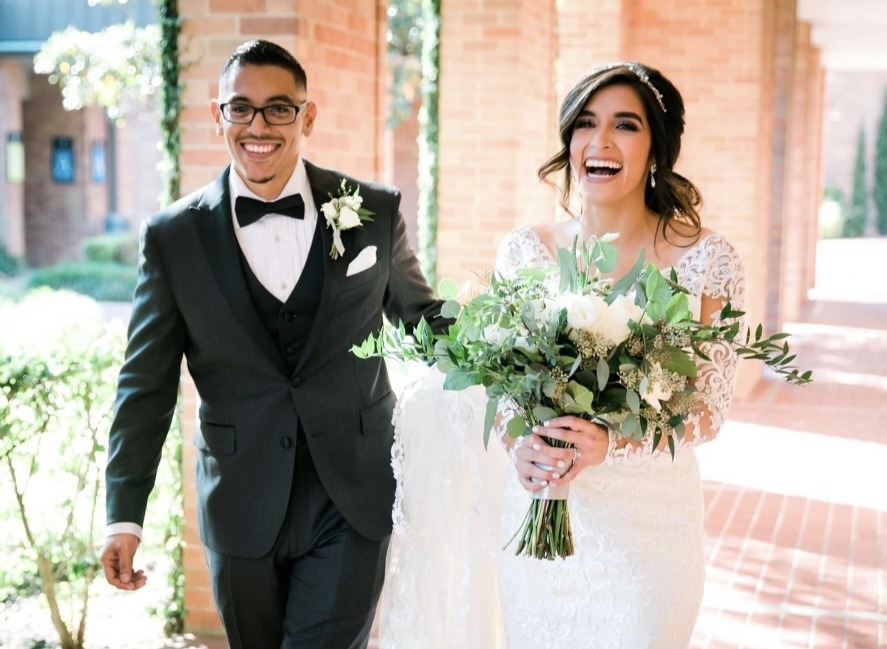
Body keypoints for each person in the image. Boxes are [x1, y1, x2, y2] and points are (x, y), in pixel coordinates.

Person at [99, 39, 449, 649]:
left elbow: (424, 320)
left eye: (278, 109)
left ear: (307, 117)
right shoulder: (173, 238)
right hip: (239, 501)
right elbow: (145, 385)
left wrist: (520, 354)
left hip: (352, 496)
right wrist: (124, 514)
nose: (258, 126)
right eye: (242, 108)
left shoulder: (372, 211)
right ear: (219, 116)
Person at [383, 62, 745, 648]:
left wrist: (614, 442)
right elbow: (500, 385)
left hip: (648, 530)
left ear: (656, 147)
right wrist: (517, 442)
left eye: (625, 125)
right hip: (540, 520)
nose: (600, 142)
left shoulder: (708, 260)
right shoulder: (527, 250)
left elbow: (707, 409)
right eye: (585, 124)